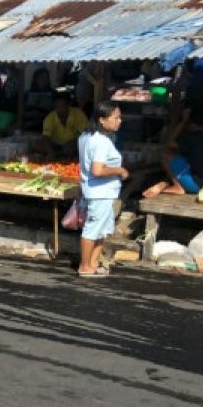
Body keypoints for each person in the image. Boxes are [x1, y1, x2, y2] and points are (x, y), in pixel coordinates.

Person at [76, 102, 128, 278]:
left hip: (98, 191)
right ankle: (85, 266)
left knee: (101, 229)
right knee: (92, 230)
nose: (119, 121)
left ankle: (93, 262)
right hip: (100, 192)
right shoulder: (101, 142)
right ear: (102, 120)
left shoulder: (85, 136)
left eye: (120, 117)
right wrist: (119, 170)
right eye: (116, 117)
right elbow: (97, 170)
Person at [41, 90, 88, 158]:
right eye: (58, 106)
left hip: (74, 144)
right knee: (38, 144)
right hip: (56, 145)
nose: (60, 109)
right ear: (54, 106)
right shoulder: (49, 118)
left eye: (63, 106)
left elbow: (85, 133)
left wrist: (73, 142)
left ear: (69, 105)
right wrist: (50, 151)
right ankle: (58, 153)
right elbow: (45, 137)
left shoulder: (78, 114)